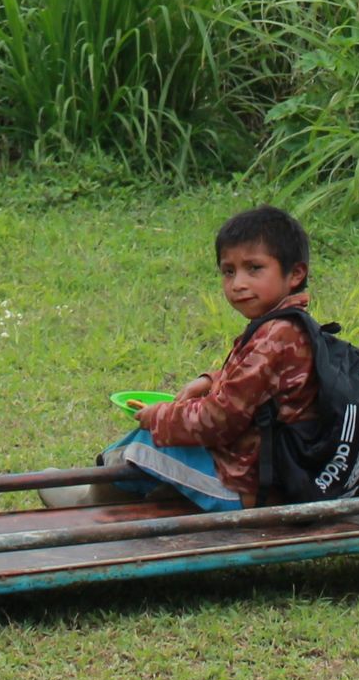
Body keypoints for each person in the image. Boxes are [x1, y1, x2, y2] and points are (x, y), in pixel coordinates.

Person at [83, 206, 319, 512]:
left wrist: (159, 416)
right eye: (229, 271)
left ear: (295, 274)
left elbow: (219, 421)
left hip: (251, 490)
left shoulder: (275, 337)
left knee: (144, 445)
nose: (238, 284)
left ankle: (92, 507)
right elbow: (260, 387)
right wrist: (210, 381)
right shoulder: (291, 326)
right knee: (165, 443)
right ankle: (126, 498)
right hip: (274, 473)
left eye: (254, 268)